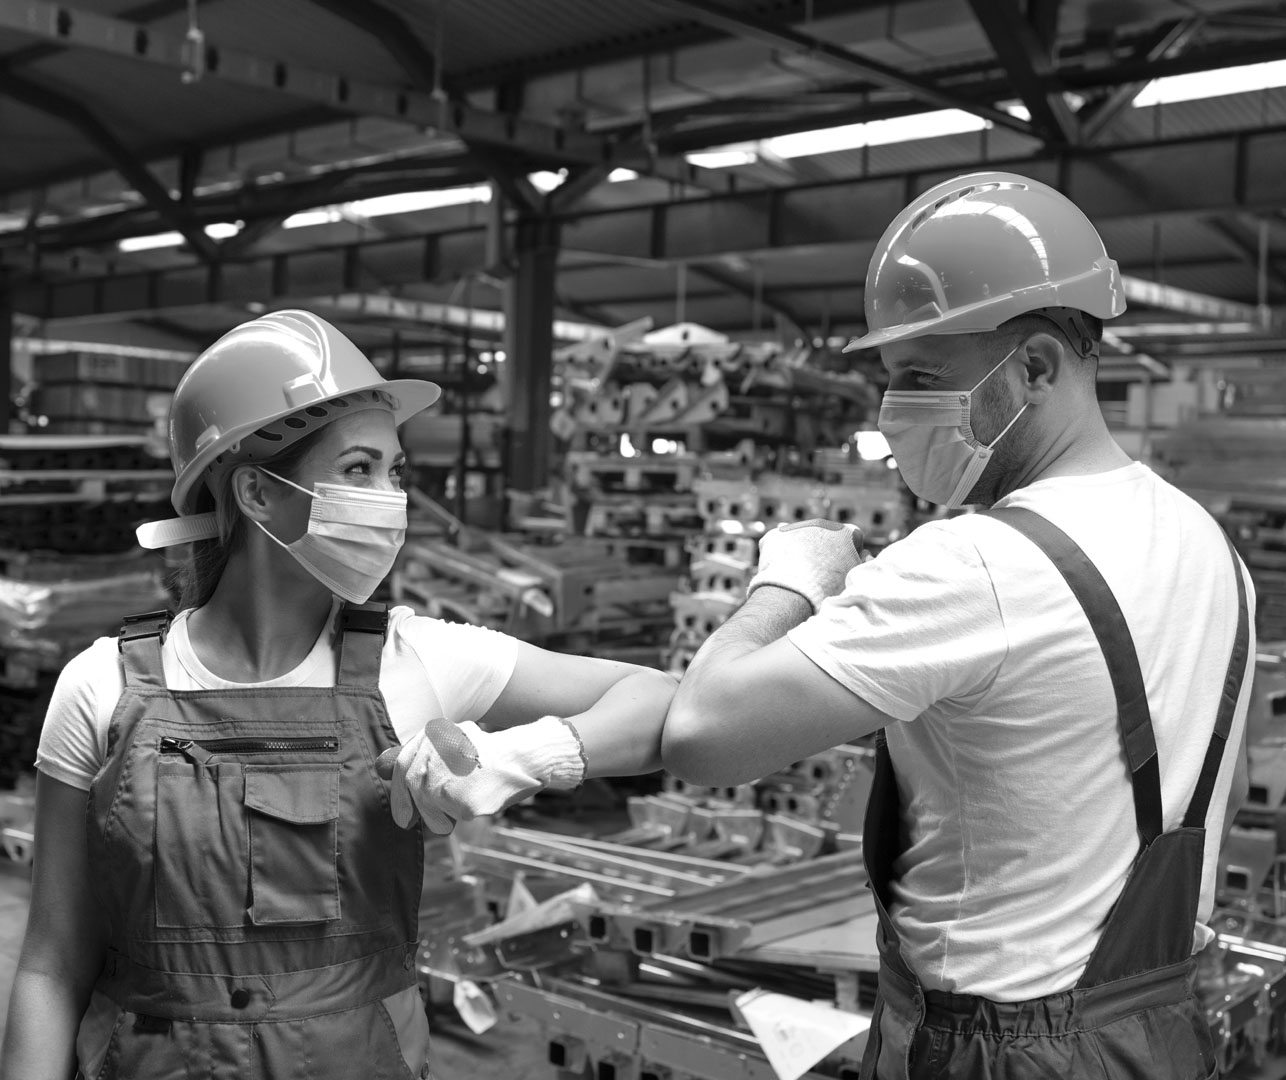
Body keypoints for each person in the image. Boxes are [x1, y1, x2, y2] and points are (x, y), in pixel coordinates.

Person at [662, 172, 1255, 1079]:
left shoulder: (975, 563)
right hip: (1152, 1027)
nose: (894, 413)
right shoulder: (1209, 546)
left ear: (1038, 366)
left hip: (996, 1051)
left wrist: (791, 580)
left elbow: (703, 734)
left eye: (922, 377)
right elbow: (1227, 771)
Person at [0, 310, 676, 1080]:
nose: (391, 501)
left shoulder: (416, 661)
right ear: (257, 492)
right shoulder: (101, 688)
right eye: (359, 470)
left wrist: (529, 754)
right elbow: (52, 966)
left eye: (396, 473)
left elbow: (657, 698)